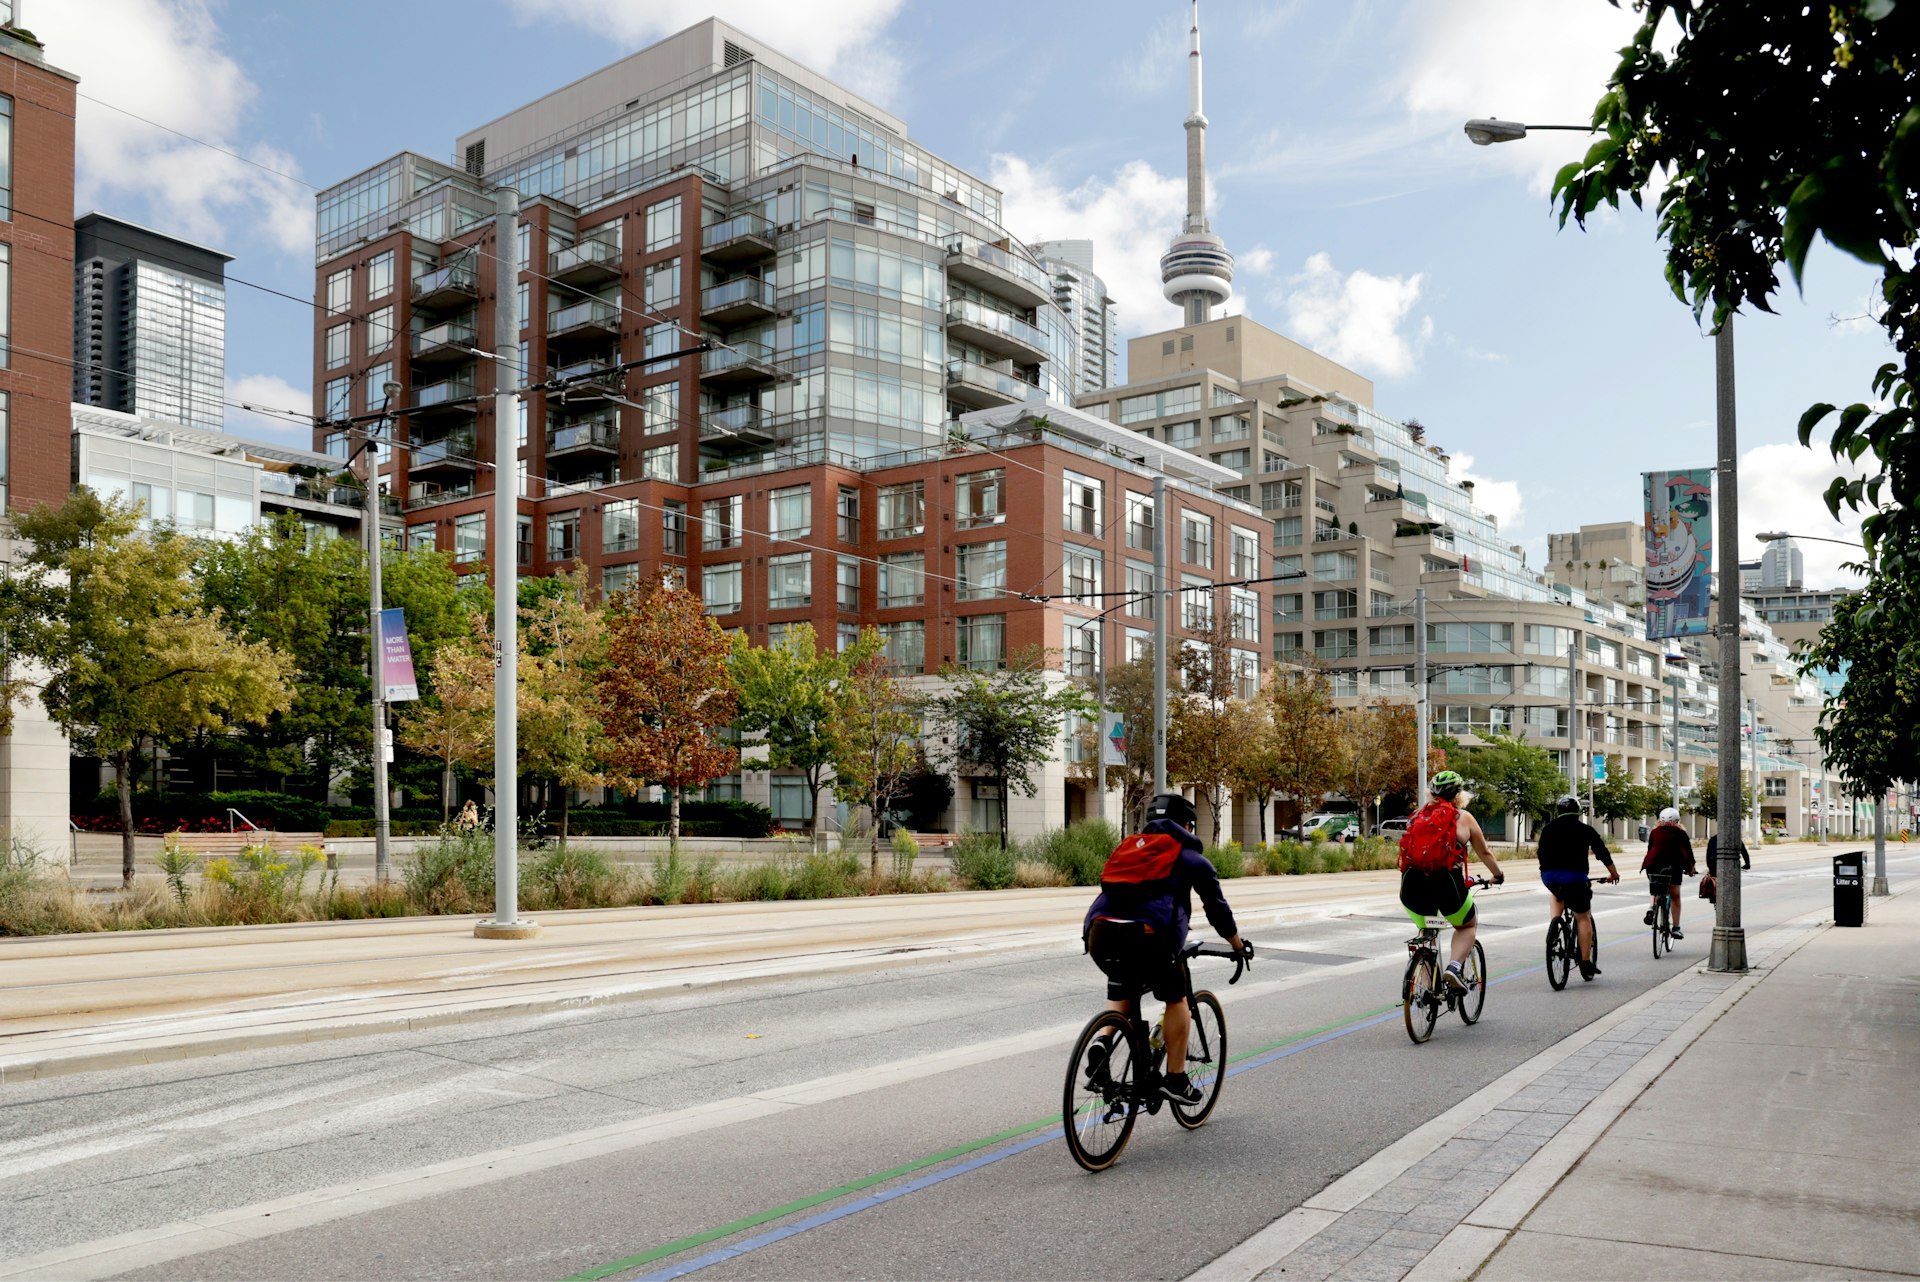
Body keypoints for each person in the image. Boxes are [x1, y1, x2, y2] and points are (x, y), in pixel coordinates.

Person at [1083, 793, 1249, 1106]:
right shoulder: (1190, 858)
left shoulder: (1131, 848)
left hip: (1100, 934)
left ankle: (1102, 1046)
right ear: (1187, 825)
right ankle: (1175, 1079)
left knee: (1126, 988)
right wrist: (1237, 945)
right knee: (1177, 998)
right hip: (1148, 938)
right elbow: (1217, 910)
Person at [1398, 770, 1504, 992]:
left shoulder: (1417, 815)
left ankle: (1426, 990)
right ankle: (1454, 968)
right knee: (1467, 925)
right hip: (1446, 883)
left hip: (1411, 885)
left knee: (1426, 930)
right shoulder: (1462, 817)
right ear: (1459, 795)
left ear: (1431, 793)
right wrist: (1498, 875)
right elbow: (1484, 853)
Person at [1537, 795, 1619, 980]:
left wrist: (1547, 871)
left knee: (1557, 894)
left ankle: (1555, 927)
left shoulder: (1548, 829)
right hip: (1575, 878)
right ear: (1578, 812)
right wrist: (1613, 873)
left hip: (1550, 877)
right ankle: (1585, 962)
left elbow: (1540, 853)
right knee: (1583, 917)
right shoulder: (1585, 829)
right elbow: (1602, 852)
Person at [1642, 807, 1697, 939]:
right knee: (1675, 896)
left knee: (1656, 888)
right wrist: (1692, 868)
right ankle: (1676, 928)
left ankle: (1652, 907)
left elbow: (1650, 850)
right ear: (1677, 820)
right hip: (1673, 867)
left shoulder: (1654, 833)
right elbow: (1688, 853)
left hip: (1653, 866)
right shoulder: (1681, 833)